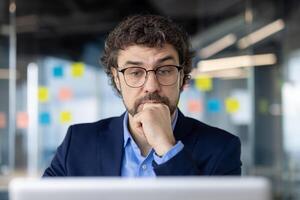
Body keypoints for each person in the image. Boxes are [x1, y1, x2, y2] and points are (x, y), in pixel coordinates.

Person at [43, 14, 242, 177]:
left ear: (182, 76)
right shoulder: (78, 142)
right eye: (135, 72)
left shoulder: (221, 148)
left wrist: (167, 148)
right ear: (117, 79)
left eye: (164, 70)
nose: (151, 87)